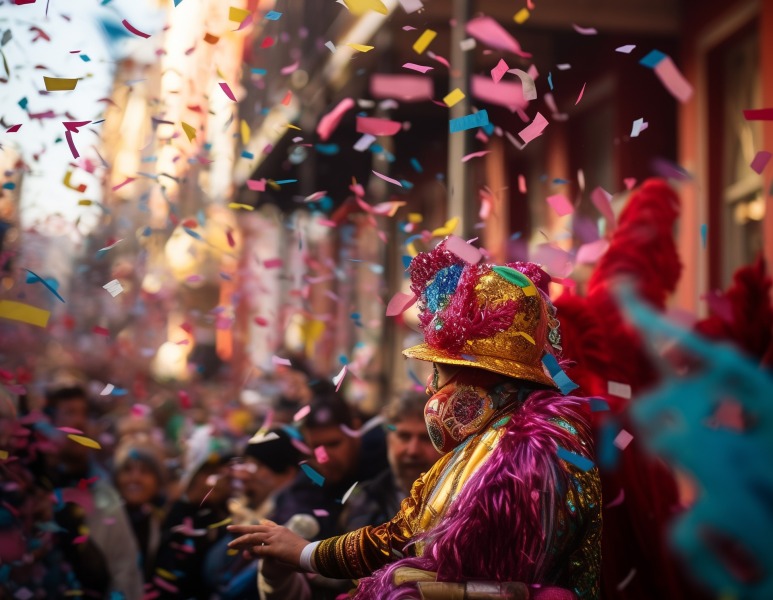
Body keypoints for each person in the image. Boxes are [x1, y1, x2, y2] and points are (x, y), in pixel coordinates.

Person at [229, 239, 602, 599]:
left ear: (475, 378)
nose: (431, 388)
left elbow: (407, 539)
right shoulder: (548, 439)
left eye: (440, 371)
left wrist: (304, 553)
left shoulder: (508, 453)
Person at [42, 385, 144, 600]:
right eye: (70, 413)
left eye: (84, 414)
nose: (79, 422)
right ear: (49, 425)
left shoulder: (104, 493)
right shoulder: (33, 489)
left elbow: (124, 569)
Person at [268, 392, 388, 541]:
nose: (324, 457)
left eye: (333, 444)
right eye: (316, 447)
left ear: (355, 431)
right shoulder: (313, 477)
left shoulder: (383, 468)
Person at [202, 426, 302, 599]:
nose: (244, 475)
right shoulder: (244, 510)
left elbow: (229, 586)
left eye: (258, 465)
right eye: (246, 463)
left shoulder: (289, 522)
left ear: (287, 474)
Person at [148, 424, 234, 599]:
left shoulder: (218, 514)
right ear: (197, 474)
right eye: (215, 473)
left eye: (228, 474)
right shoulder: (180, 518)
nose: (225, 482)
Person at [114, 440, 168, 582]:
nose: (135, 478)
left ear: (158, 482)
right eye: (127, 470)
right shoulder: (103, 520)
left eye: (144, 471)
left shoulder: (164, 523)